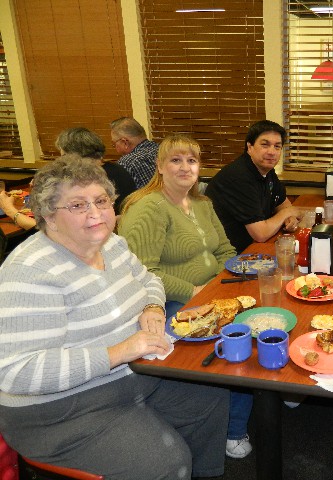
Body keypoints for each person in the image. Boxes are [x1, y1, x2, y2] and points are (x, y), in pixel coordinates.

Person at [0, 155, 230, 479]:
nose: (95, 214)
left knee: (210, 394)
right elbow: (15, 373)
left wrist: (153, 307)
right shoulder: (29, 271)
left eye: (101, 201)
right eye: (78, 205)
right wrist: (119, 351)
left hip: (134, 373)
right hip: (61, 410)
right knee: (165, 462)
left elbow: (149, 279)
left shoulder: (112, 244)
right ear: (48, 216)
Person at [118, 135, 252, 459]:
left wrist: (228, 283)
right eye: (175, 160)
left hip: (212, 289)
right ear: (160, 166)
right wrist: (194, 292)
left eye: (191, 160)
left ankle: (274, 391)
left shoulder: (203, 204)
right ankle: (231, 430)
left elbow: (225, 250)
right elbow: (141, 271)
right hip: (167, 300)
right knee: (228, 343)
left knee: (257, 320)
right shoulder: (148, 207)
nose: (184, 167)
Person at [205, 120, 300, 253]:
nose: (272, 152)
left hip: (252, 247)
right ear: (250, 147)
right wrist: (287, 213)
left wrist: (290, 219)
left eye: (277, 146)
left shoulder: (267, 170)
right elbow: (260, 234)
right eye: (265, 145)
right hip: (228, 254)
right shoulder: (239, 177)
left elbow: (284, 204)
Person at [55, 127, 137, 214]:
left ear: (76, 154)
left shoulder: (90, 178)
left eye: (64, 156)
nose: (63, 161)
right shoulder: (118, 169)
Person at [110, 117, 160, 189]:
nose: (115, 148)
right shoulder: (162, 150)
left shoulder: (127, 163)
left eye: (114, 144)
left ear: (125, 142)